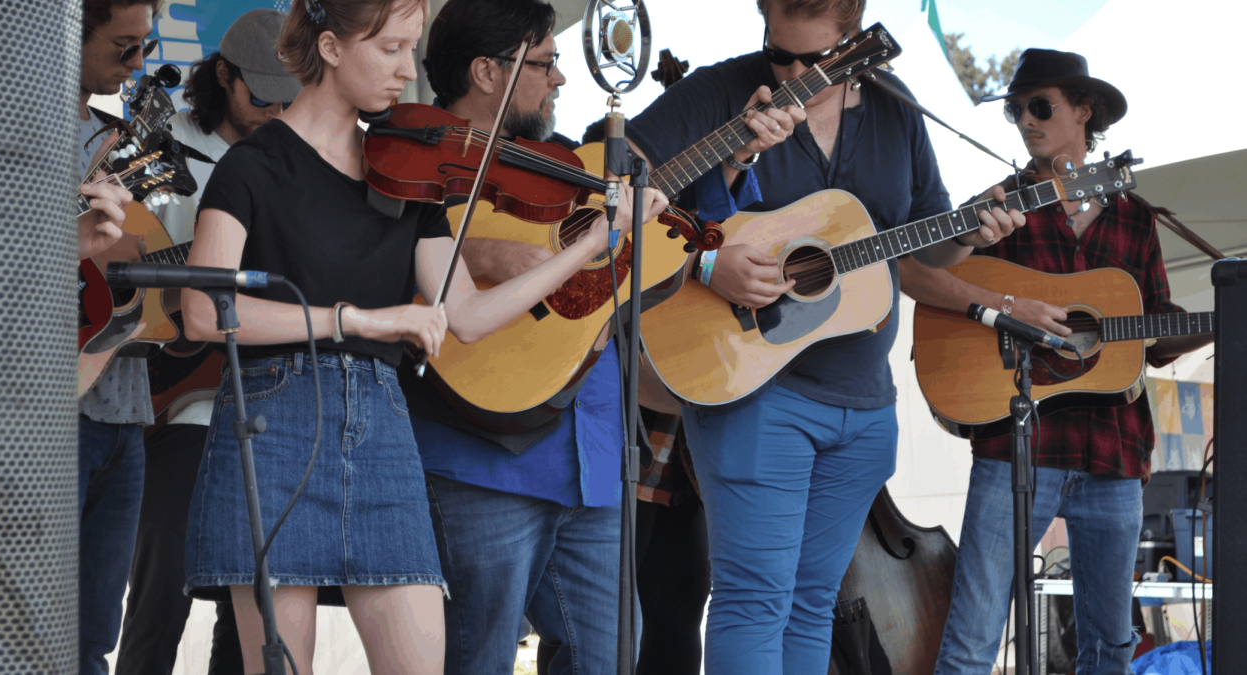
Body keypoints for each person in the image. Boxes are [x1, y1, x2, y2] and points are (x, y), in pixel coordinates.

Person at [179, 1, 667, 673]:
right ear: (329, 47)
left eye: (411, 49)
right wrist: (357, 320)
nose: (408, 70)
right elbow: (205, 312)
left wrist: (591, 243)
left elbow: (465, 313)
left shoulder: (407, 174)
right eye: (391, 50)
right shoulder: (253, 167)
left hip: (381, 429)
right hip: (274, 423)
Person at [622, 0, 1024, 672]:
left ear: (855, 46)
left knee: (814, 603)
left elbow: (929, 251)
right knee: (755, 599)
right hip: (753, 387)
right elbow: (611, 192)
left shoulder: (897, 112)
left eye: (810, 63)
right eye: (776, 54)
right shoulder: (721, 91)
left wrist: (972, 233)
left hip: (865, 402)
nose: (788, 76)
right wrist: (706, 262)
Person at [898, 48, 1214, 675]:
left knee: (1110, 645)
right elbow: (919, 271)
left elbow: (1149, 331)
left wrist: (1217, 325)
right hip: (1014, 444)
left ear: (1084, 111)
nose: (1024, 120)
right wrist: (1002, 299)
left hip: (1114, 453)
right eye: (1015, 110)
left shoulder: (1135, 218)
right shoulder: (997, 207)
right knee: (972, 637)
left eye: (1039, 106)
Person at [405, 1, 669, 672]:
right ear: (487, 72)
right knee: (478, 655)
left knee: (611, 654)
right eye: (547, 63)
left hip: (592, 449)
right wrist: (481, 253)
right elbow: (368, 263)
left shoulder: (565, 166)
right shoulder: (405, 160)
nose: (559, 80)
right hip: (480, 454)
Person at [114, 9, 299, 675]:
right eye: (262, 93)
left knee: (253, 591)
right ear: (224, 75)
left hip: (267, 393)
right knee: (163, 572)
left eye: (290, 95)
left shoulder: (301, 154)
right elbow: (121, 256)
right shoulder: (163, 148)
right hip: (178, 390)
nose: (278, 109)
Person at [76, 1, 160, 672]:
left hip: (125, 404)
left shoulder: (132, 143)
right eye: (123, 47)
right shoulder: (9, 138)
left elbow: (143, 266)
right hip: (45, 410)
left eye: (145, 48)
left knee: (96, 632)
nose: (137, 66)